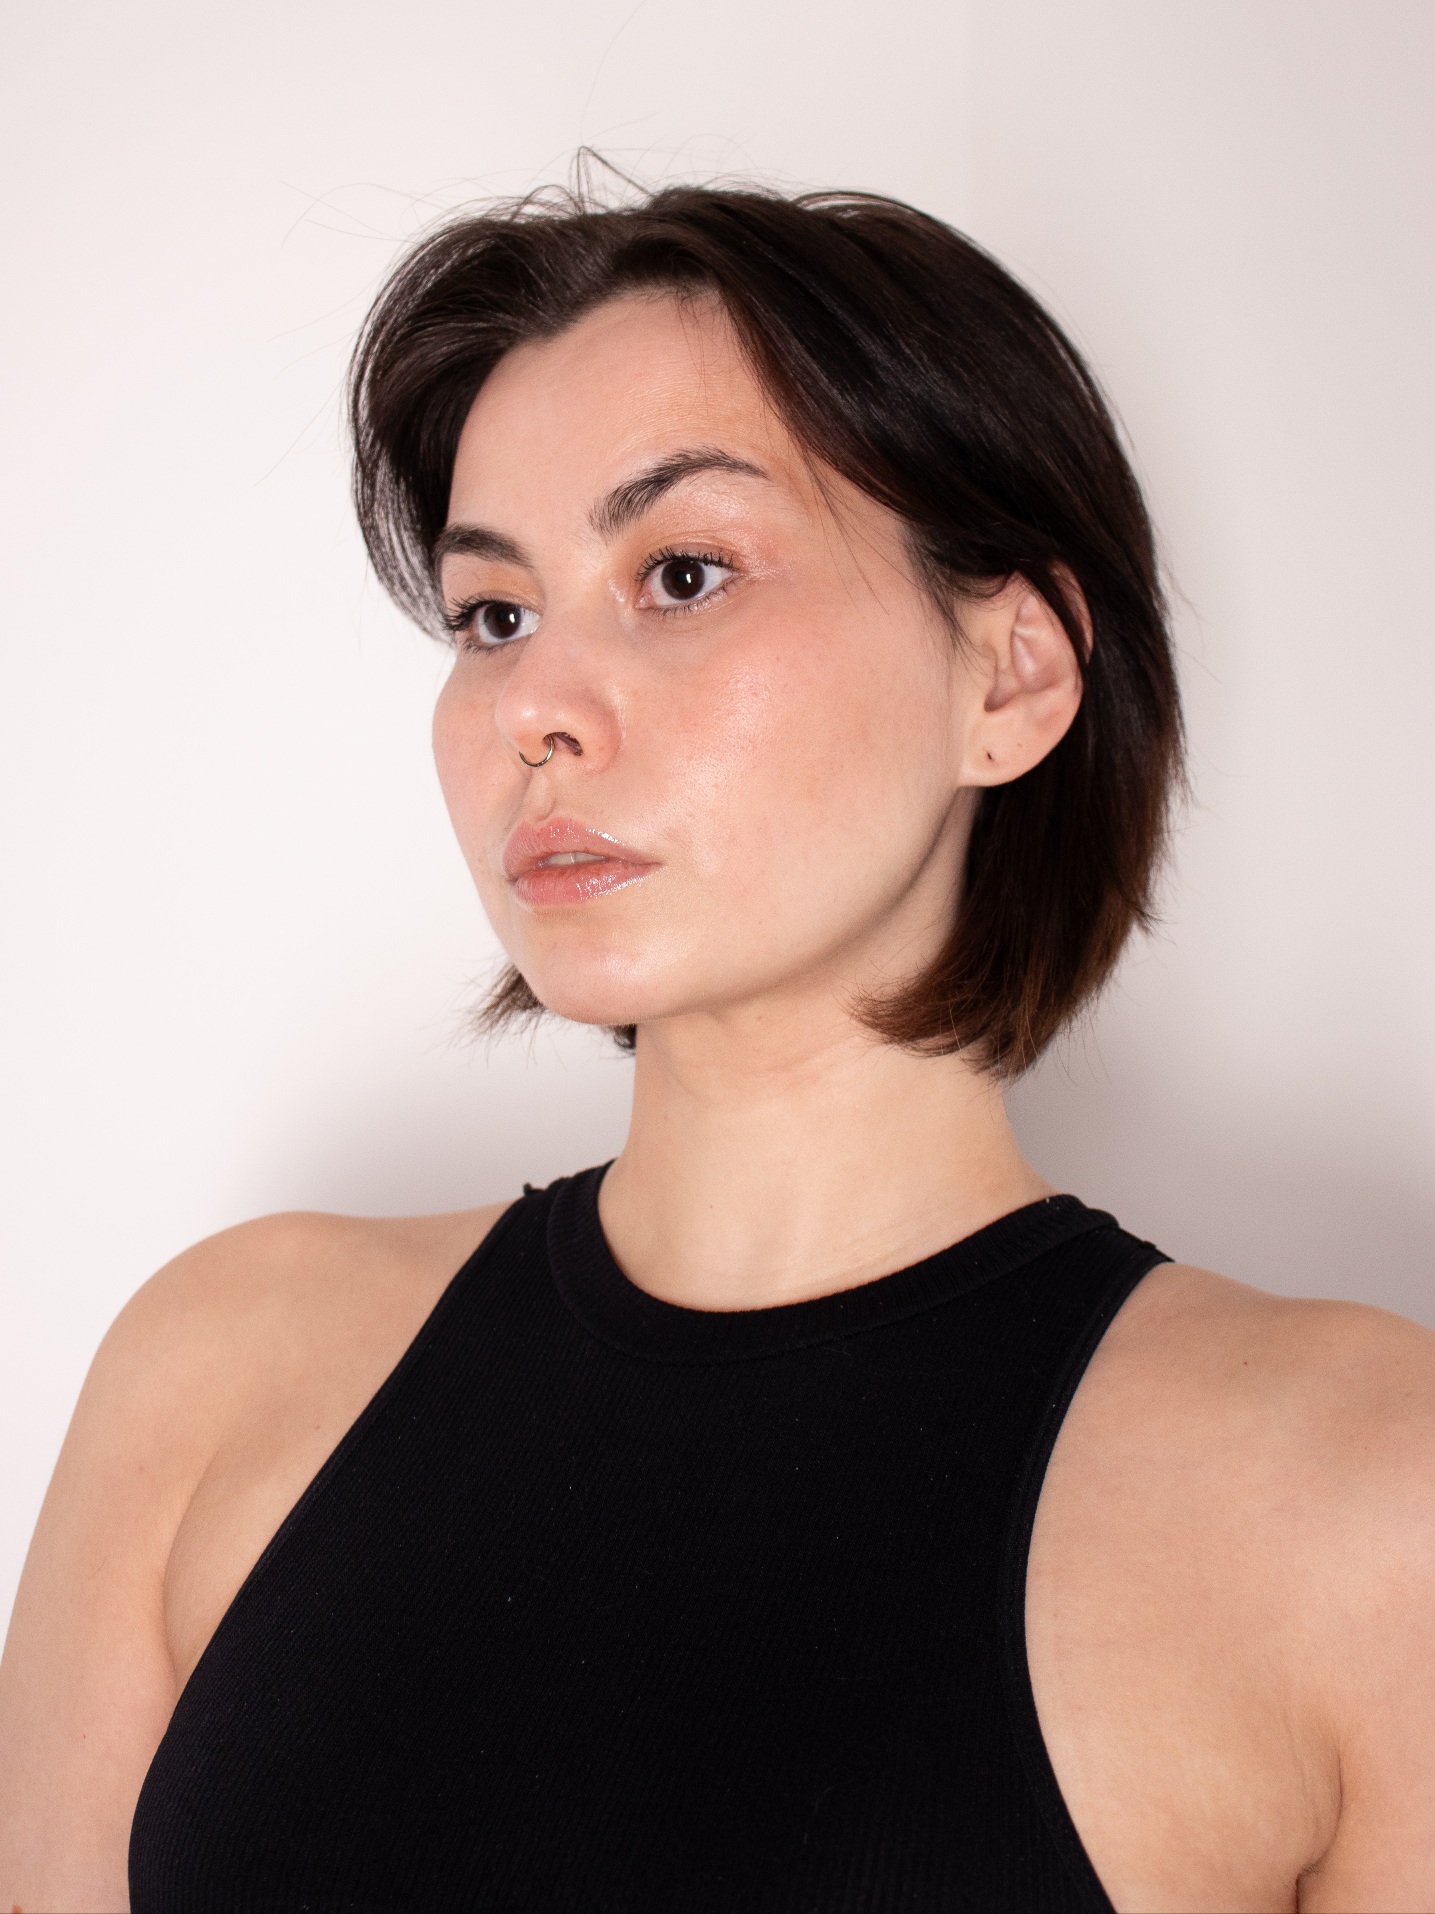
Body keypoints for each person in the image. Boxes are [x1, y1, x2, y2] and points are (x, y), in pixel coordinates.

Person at [1, 181, 1432, 1914]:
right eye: (493, 613)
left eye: (681, 574)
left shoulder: (1364, 1494)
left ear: (1010, 677)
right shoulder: (215, 1377)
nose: (535, 706)